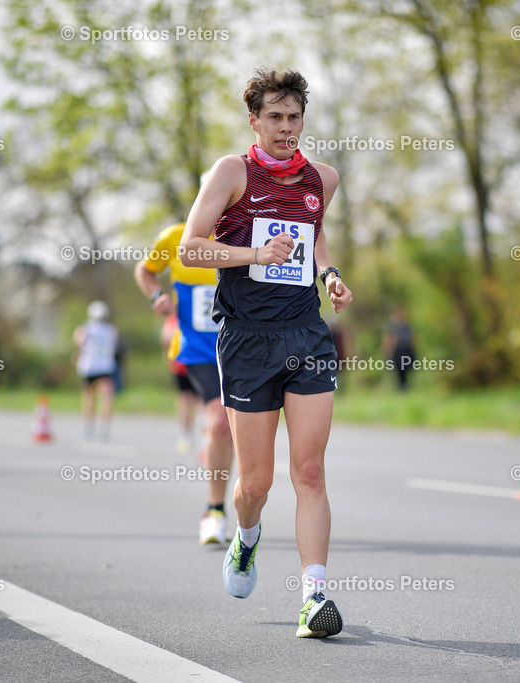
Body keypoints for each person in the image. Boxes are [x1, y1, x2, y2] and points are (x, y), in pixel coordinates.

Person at [181, 68, 353, 638]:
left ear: (304, 119)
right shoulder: (232, 172)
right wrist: (254, 255)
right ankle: (246, 536)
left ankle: (314, 599)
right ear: (253, 120)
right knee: (255, 485)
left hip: (305, 333)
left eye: (294, 117)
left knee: (309, 470)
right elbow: (191, 249)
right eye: (274, 117)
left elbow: (315, 232)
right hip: (247, 338)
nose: (286, 128)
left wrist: (329, 274)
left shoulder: (322, 178)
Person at [136, 222, 234, 545]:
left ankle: (247, 515)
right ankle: (215, 510)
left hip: (244, 349)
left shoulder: (248, 232)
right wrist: (157, 295)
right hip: (199, 351)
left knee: (240, 431)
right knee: (219, 422)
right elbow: (145, 270)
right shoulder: (175, 236)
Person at [73, 300, 118, 440]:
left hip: (89, 367)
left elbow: (78, 344)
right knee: (107, 397)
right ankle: (104, 427)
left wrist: (77, 355)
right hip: (105, 366)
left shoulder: (84, 329)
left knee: (88, 397)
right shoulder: (111, 331)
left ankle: (88, 426)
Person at [160, 313, 201, 454]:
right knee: (201, 400)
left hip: (180, 364)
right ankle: (203, 434)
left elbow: (165, 338)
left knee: (184, 399)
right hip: (198, 363)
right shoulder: (193, 314)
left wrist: (167, 356)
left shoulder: (173, 319)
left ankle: (186, 435)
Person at [383, 308, 416, 391]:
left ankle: (405, 385)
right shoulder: (392, 327)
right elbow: (388, 339)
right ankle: (401, 386)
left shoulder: (407, 326)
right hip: (397, 352)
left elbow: (411, 339)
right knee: (398, 369)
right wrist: (388, 350)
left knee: (407, 369)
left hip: (406, 351)